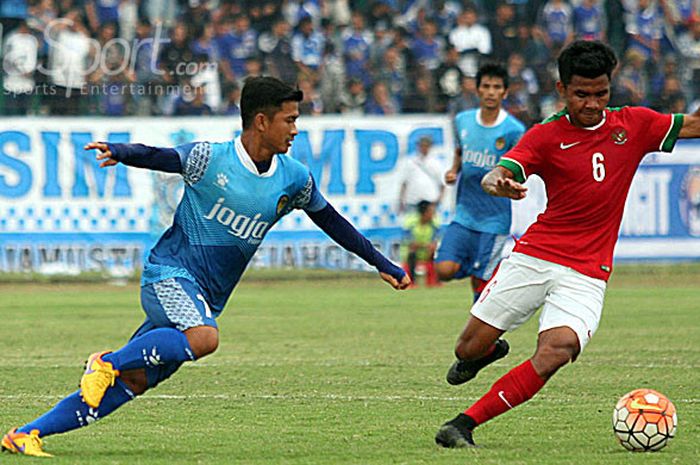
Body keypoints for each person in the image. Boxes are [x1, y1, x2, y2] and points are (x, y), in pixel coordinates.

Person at [1, 76, 410, 457]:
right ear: (262, 121)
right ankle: (107, 360)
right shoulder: (210, 158)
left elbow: (333, 221)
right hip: (169, 275)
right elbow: (161, 157)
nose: (295, 129)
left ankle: (26, 434)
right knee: (204, 339)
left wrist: (380, 262)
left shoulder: (294, 178)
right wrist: (121, 152)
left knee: (137, 381)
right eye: (290, 120)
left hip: (206, 297)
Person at [435, 40, 700, 448]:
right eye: (582, 94)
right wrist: (499, 183)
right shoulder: (545, 136)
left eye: (601, 93)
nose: (592, 104)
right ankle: (482, 354)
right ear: (562, 89)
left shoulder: (635, 124)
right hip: (535, 256)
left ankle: (463, 424)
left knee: (557, 350)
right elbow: (497, 173)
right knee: (468, 347)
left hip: (588, 272)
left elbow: (694, 126)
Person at [435, 63, 525, 302]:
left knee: (480, 287)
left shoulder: (514, 130)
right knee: (443, 269)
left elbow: (519, 166)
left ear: (505, 92)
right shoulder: (463, 121)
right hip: (464, 213)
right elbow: (460, 151)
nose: (491, 92)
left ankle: (487, 339)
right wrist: (454, 170)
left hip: (494, 219)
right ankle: (487, 270)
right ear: (478, 90)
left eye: (497, 87)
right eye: (486, 86)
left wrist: (509, 183)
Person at [397, 136, 444, 215]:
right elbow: (404, 182)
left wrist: (439, 200)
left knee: (430, 226)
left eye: (426, 146)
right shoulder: (411, 162)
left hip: (430, 201)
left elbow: (442, 184)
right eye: (422, 145)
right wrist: (401, 200)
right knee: (412, 224)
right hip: (412, 201)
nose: (424, 148)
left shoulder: (436, 163)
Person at [400, 200, 440, 287]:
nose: (433, 214)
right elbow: (410, 242)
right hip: (411, 253)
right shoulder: (411, 223)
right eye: (431, 211)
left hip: (427, 252)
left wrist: (432, 246)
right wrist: (425, 245)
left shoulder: (434, 224)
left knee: (437, 253)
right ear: (424, 212)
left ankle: (434, 282)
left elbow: (436, 240)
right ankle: (411, 282)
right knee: (412, 252)